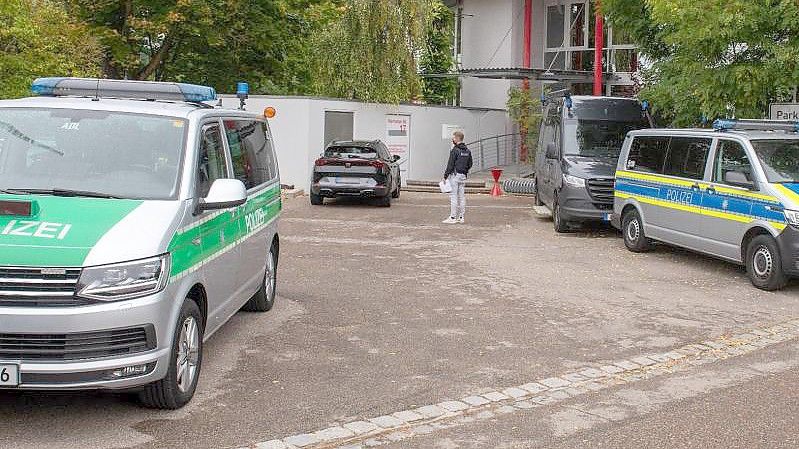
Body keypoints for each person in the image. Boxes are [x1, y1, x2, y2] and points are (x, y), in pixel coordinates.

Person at [442, 131, 472, 224]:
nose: (453, 139)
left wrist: (445, 176)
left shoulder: (455, 150)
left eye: (454, 138)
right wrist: (465, 171)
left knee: (453, 196)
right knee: (462, 197)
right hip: (463, 176)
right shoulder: (467, 151)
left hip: (454, 176)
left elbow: (450, 164)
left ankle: (452, 217)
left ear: (457, 138)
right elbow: (470, 163)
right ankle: (461, 217)